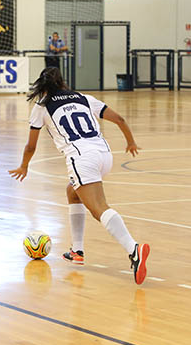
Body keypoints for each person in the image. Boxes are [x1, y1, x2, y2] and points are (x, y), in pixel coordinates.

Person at [8, 67, 150, 285]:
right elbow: (120, 119)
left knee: (98, 208)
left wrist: (24, 166)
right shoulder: (84, 98)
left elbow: (30, 145)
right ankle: (77, 250)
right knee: (72, 191)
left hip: (82, 158)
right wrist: (130, 141)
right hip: (105, 155)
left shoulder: (42, 106)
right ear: (62, 82)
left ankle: (134, 249)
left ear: (42, 85)